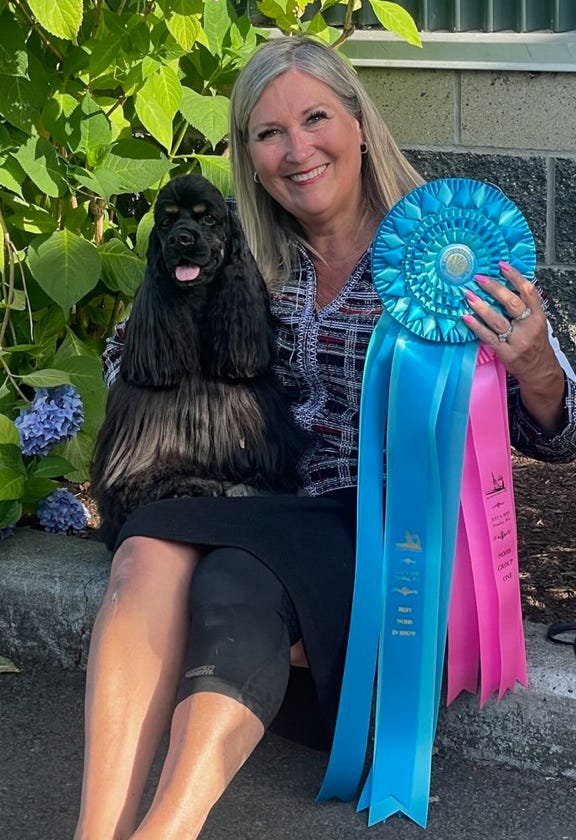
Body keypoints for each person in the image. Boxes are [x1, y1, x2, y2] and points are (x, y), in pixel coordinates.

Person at [74, 35, 576, 840]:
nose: (296, 149)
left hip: (392, 538)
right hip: (263, 511)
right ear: (249, 154)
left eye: (315, 118)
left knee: (218, 566)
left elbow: (558, 436)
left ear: (361, 124)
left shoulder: (444, 253)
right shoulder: (246, 255)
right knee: (149, 551)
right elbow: (135, 362)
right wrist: (161, 327)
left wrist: (537, 371)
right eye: (269, 133)